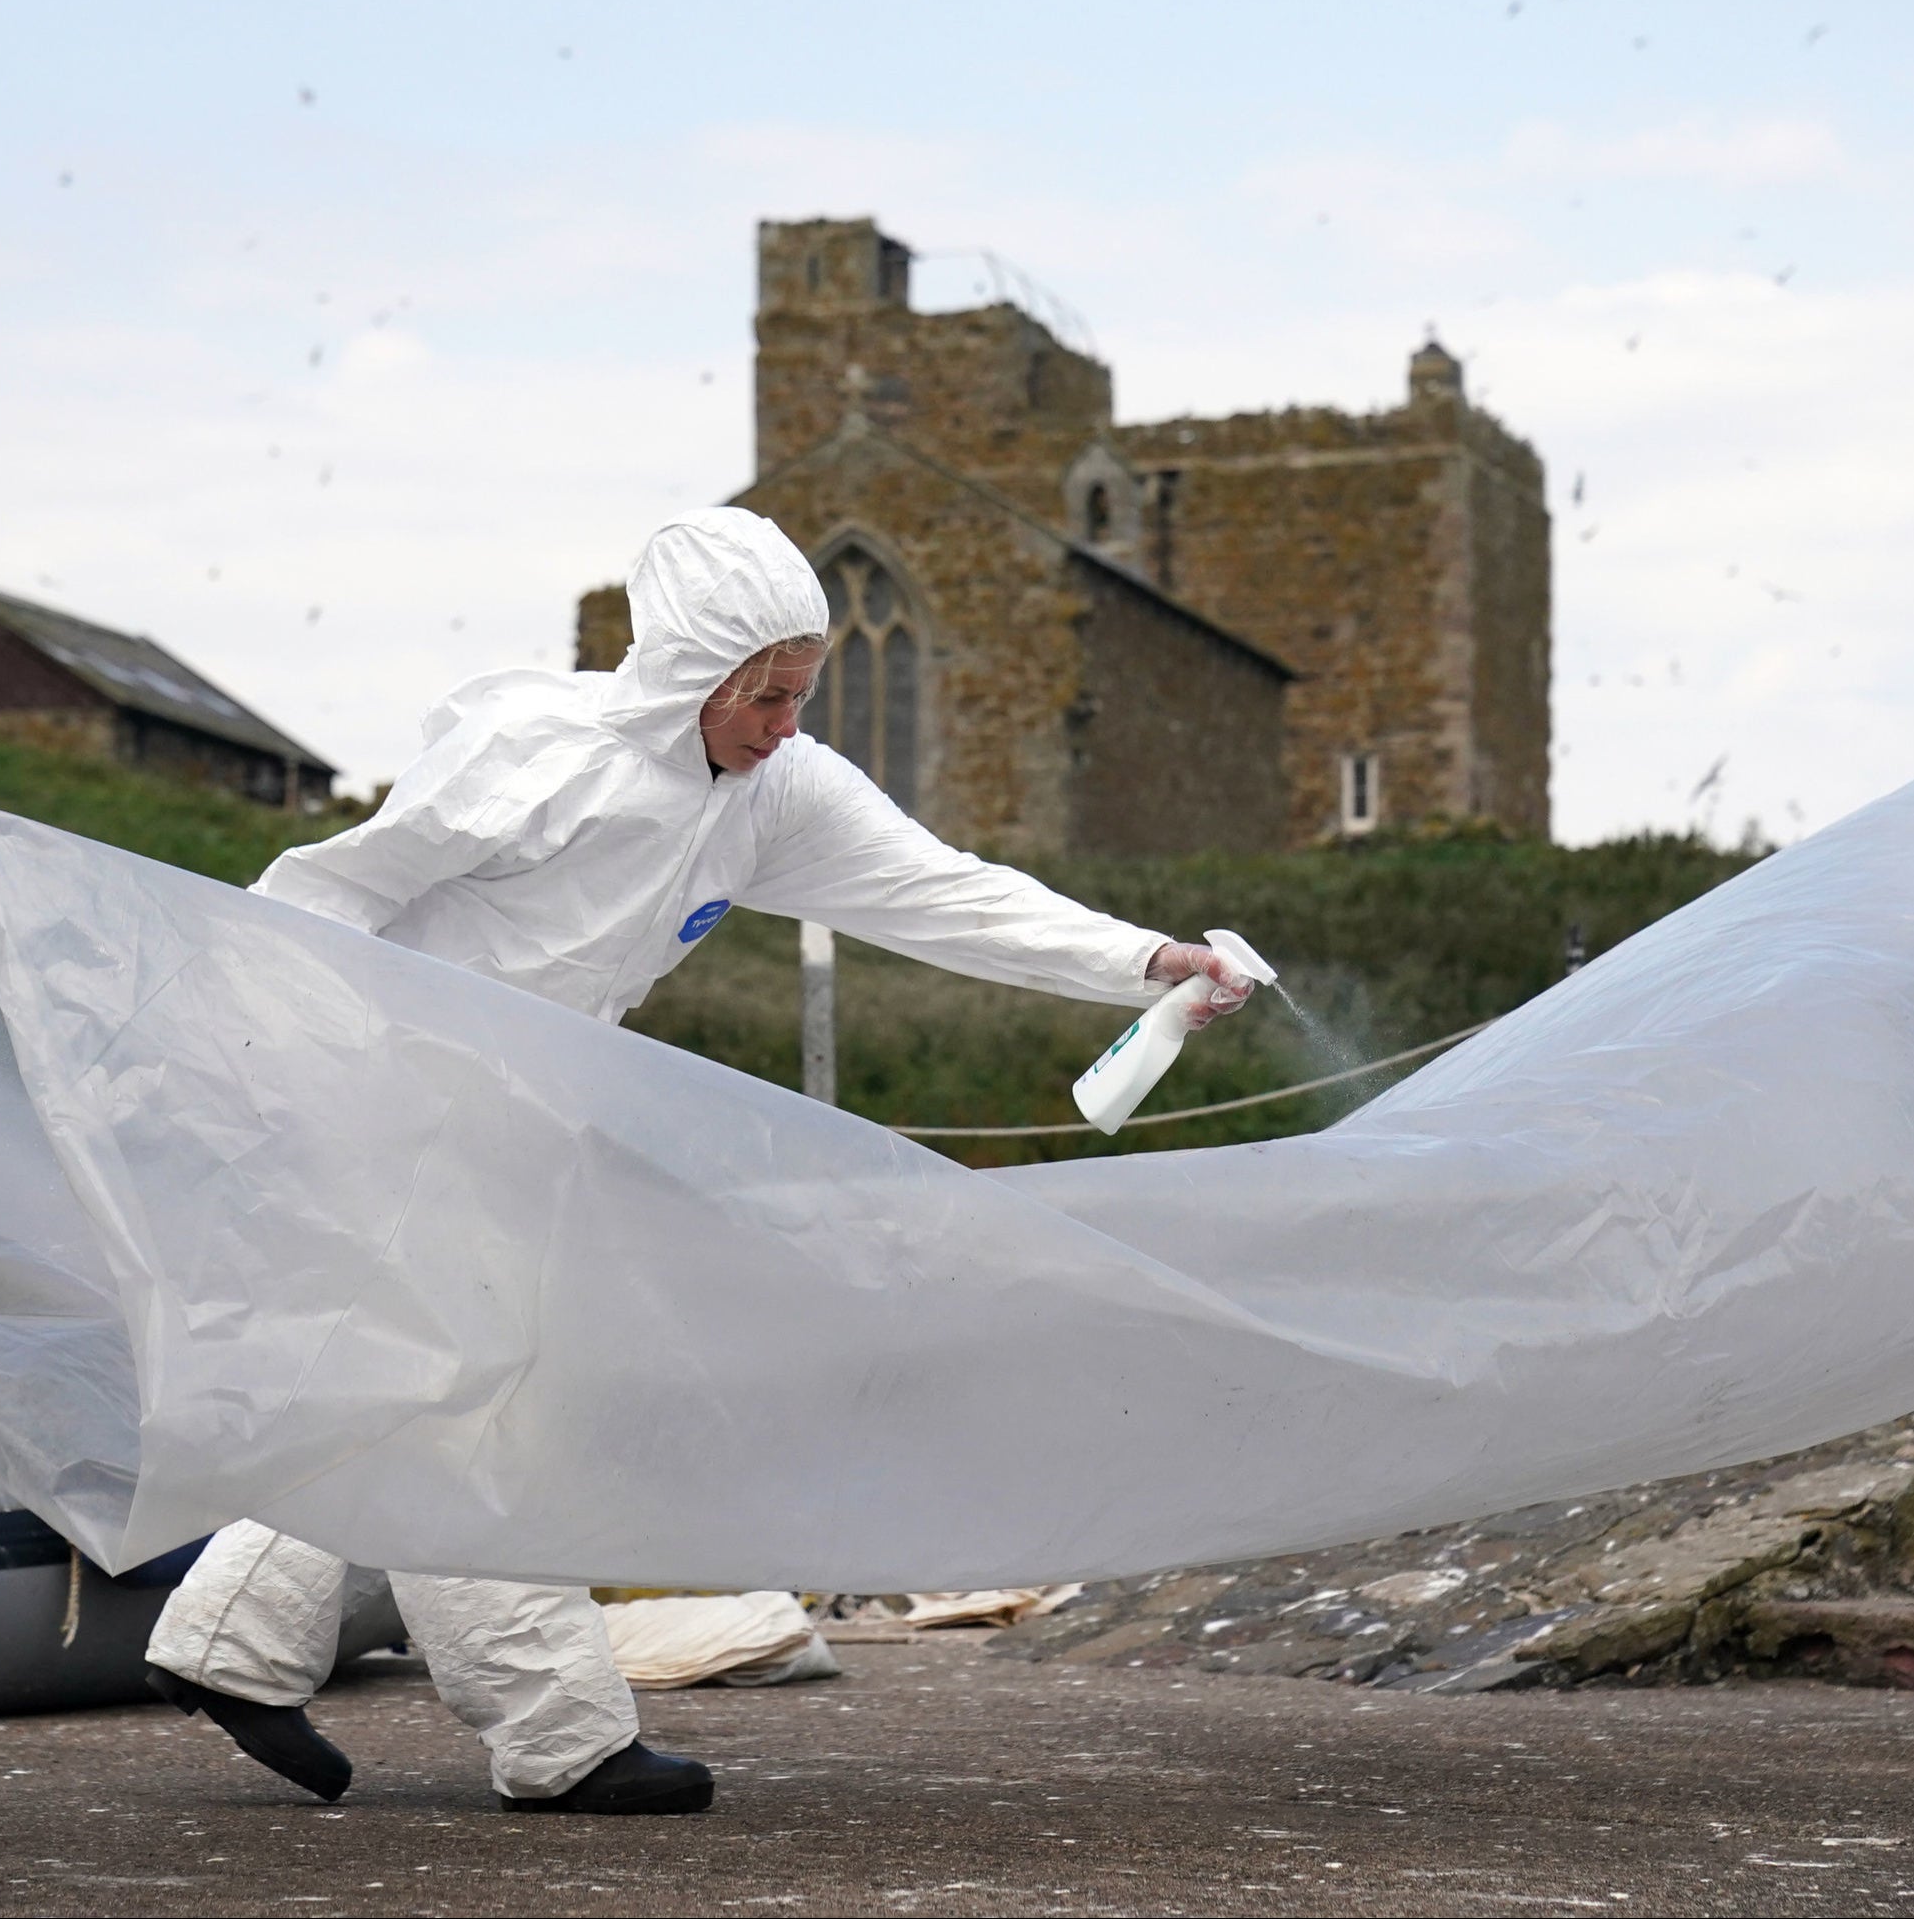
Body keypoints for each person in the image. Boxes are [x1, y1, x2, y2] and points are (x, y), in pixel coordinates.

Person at [144, 505, 1252, 1815]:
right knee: (490, 1407)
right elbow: (329, 886)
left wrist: (1141, 961)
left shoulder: (777, 793)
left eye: (800, 696)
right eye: (764, 697)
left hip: (536, 1119)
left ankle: (228, 1642)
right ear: (688, 675)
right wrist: (270, 1064)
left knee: (417, 1385)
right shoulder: (532, 757)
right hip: (391, 1099)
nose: (785, 724)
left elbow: (944, 892)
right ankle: (559, 1740)